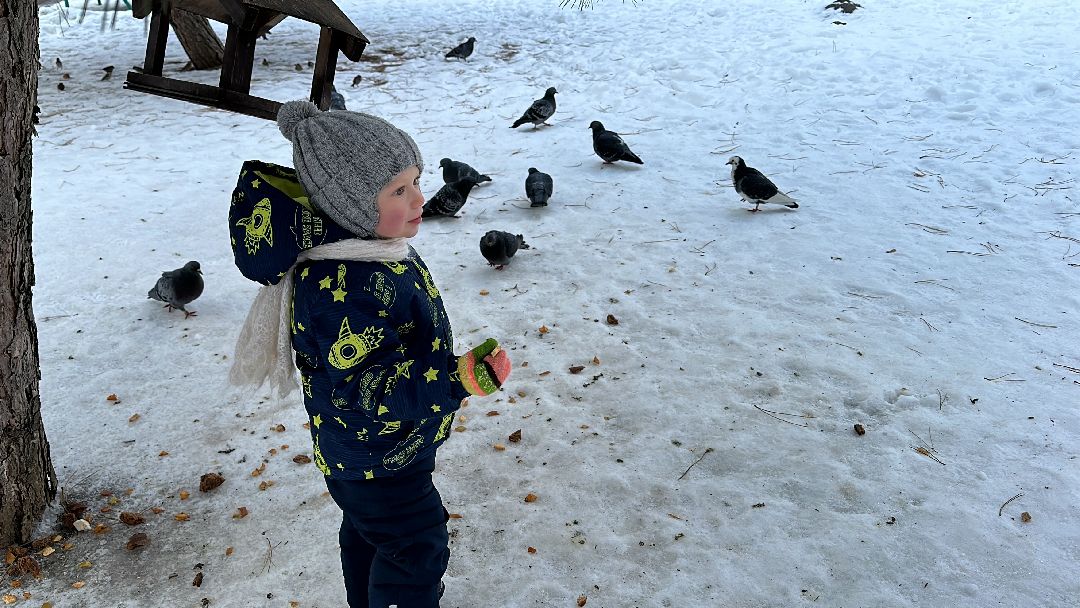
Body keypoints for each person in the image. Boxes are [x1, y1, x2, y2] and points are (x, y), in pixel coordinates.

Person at [227, 100, 511, 608]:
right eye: (398, 190)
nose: (419, 198)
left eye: (416, 181)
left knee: (372, 536)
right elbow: (366, 386)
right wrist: (456, 379)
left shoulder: (372, 251)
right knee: (415, 548)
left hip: (379, 450)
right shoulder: (344, 284)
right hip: (376, 456)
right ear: (351, 205)